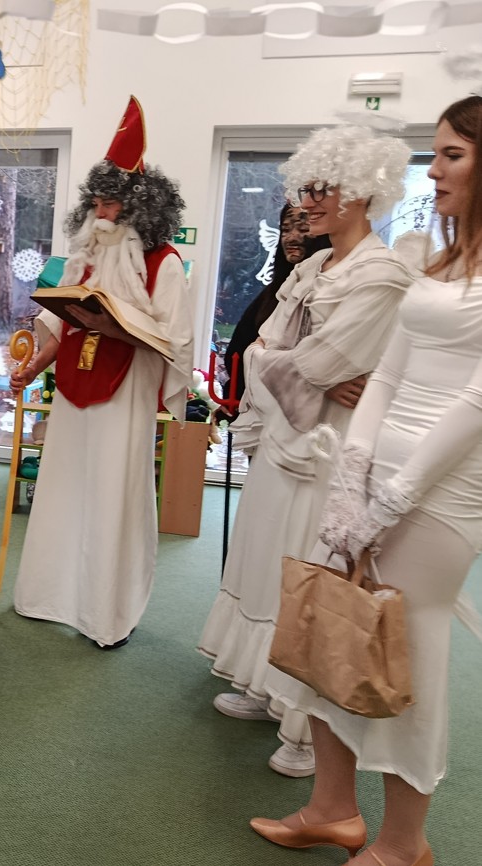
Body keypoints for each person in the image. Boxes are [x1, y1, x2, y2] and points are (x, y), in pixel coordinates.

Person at [253, 96, 482, 866]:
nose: (433, 168)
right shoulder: (435, 261)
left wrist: (393, 496)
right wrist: (353, 475)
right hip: (373, 468)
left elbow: (475, 401)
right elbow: (386, 372)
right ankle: (332, 809)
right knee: (332, 627)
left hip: (443, 493)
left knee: (403, 651)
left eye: (451, 154)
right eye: (436, 153)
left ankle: (403, 841)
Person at [198, 117, 413, 778]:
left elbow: (318, 360)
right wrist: (291, 363)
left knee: (312, 573)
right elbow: (265, 349)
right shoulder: (314, 264)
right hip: (284, 438)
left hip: (330, 449)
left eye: (323, 188)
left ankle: (304, 729)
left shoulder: (382, 275)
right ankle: (266, 689)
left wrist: (290, 363)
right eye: (305, 188)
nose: (307, 202)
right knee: (267, 562)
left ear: (361, 191)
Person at [7, 96, 194, 649]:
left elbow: (176, 342)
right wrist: (31, 367)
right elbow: (59, 323)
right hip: (73, 392)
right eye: (96, 202)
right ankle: (49, 597)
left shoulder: (164, 263)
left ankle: (104, 614)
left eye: (111, 204)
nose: (101, 213)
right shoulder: (83, 255)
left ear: (140, 207)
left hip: (125, 395)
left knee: (112, 495)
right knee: (63, 488)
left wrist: (114, 328)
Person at [216, 204, 331, 417]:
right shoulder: (275, 291)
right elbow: (241, 347)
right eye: (285, 230)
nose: (291, 238)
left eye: (303, 228)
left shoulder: (326, 291)